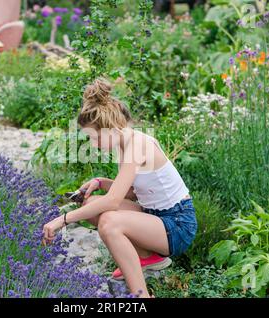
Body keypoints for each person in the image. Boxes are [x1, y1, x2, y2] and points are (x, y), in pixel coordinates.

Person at [43, 78, 197, 298]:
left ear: (111, 127)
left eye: (95, 138)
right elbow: (135, 193)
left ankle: (141, 297)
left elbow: (114, 201)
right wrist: (99, 182)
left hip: (177, 225)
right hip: (155, 216)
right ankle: (147, 257)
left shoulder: (138, 145)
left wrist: (63, 220)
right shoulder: (126, 145)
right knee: (92, 203)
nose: (94, 144)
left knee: (109, 221)